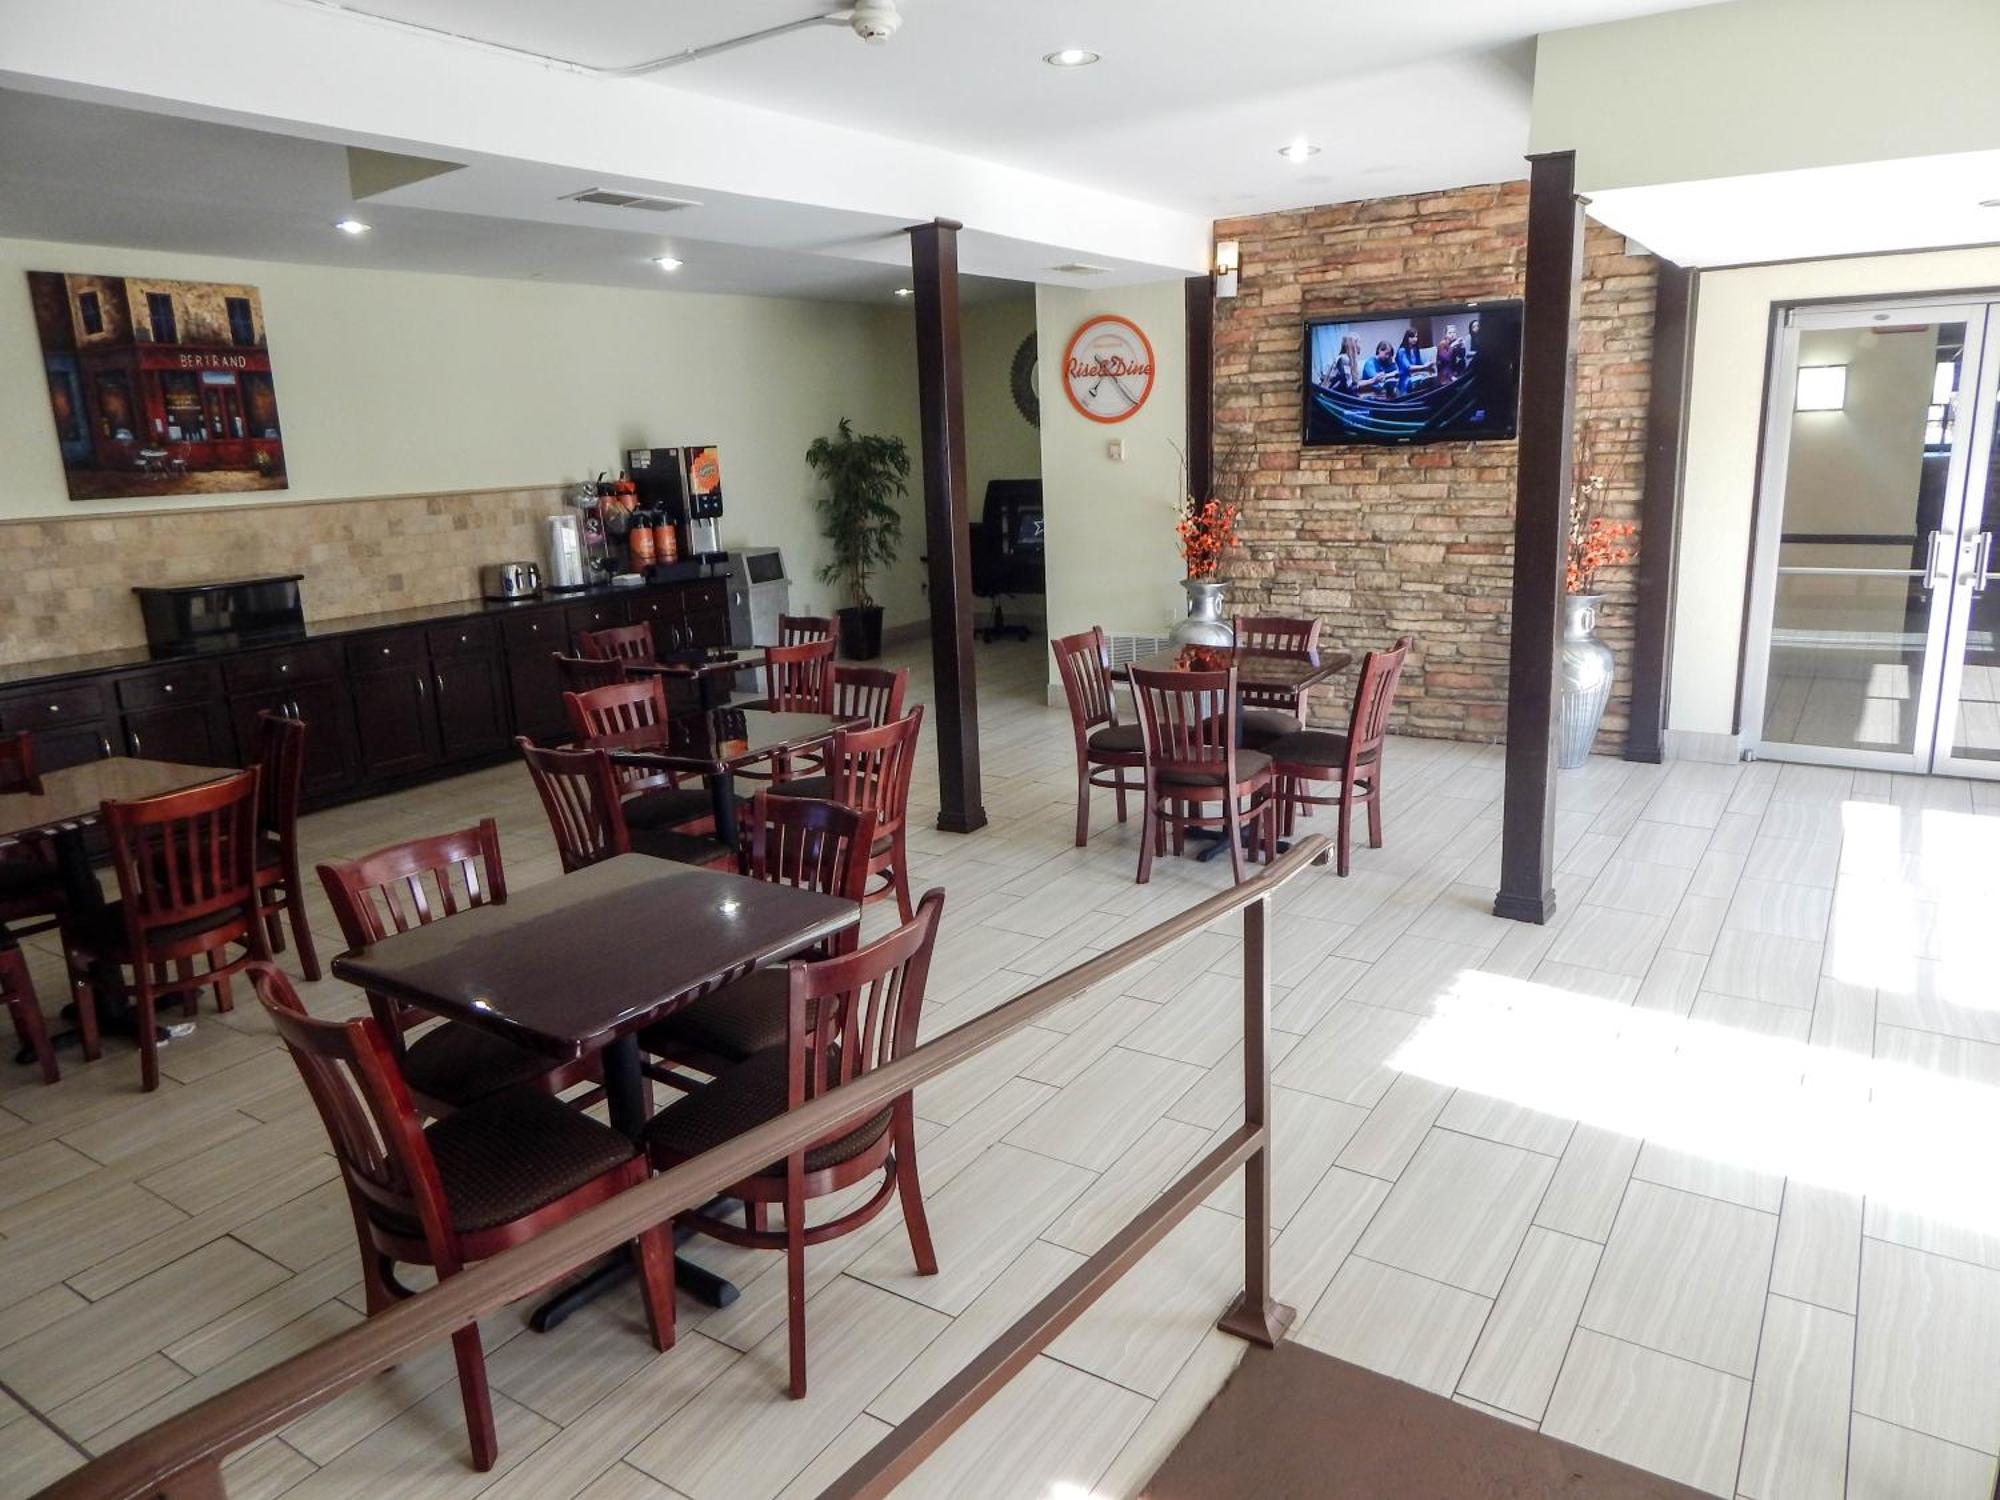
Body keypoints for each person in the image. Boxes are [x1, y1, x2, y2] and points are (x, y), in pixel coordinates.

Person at [1394, 328, 1431, 393]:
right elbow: (1408, 367)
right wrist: (1424, 366)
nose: (1415, 339)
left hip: (1415, 376)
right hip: (1404, 380)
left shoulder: (1415, 349)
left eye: (1416, 337)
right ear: (1407, 338)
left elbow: (1419, 364)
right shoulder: (1402, 351)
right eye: (1412, 337)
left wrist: (1428, 363)